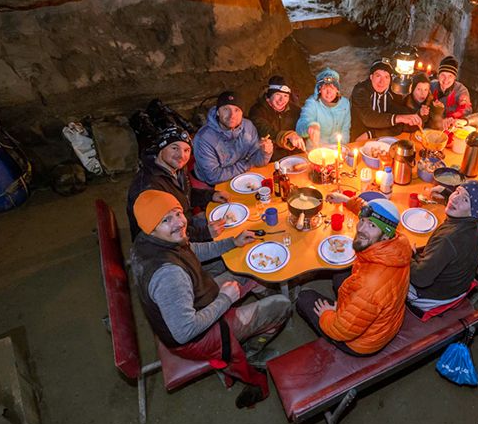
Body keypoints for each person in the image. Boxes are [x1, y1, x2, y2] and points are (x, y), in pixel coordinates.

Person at [129, 190, 292, 408]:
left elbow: (191, 250)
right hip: (198, 336)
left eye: (178, 213)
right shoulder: (169, 275)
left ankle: (257, 320)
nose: (179, 223)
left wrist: (232, 242)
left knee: (247, 271)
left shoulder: (149, 240)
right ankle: (251, 350)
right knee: (283, 306)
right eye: (166, 220)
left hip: (197, 299)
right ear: (152, 226)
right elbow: (184, 330)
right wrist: (225, 299)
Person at [296, 198, 412, 355]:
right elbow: (368, 211)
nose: (361, 228)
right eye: (362, 221)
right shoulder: (397, 242)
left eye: (371, 226)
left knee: (303, 298)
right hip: (385, 320)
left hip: (363, 342)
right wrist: (345, 200)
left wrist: (329, 314)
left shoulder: (369, 286)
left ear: (385, 235)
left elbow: (341, 331)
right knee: (339, 275)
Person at [126, 126, 230, 242]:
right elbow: (165, 234)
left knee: (231, 223)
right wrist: (204, 234)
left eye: (186, 150)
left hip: (186, 223)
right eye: (174, 148)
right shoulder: (148, 188)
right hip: (167, 246)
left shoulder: (175, 167)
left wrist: (210, 195)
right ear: (161, 148)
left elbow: (184, 194)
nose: (181, 155)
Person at [407, 181, 478, 313]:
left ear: (473, 211)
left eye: (465, 199)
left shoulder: (448, 239)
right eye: (457, 191)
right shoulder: (476, 223)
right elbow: (462, 204)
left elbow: (421, 279)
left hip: (429, 297)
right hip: (456, 289)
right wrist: (445, 192)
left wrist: (408, 256)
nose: (455, 198)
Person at [193, 91, 273, 185]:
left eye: (237, 110)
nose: (232, 115)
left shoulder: (248, 126)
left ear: (242, 113)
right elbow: (213, 177)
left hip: (241, 177)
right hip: (211, 186)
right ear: (218, 112)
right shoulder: (204, 138)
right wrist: (246, 164)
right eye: (226, 109)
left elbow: (257, 161)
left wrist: (265, 153)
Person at [350, 59, 423, 140]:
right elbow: (367, 118)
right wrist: (399, 118)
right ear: (371, 77)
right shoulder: (361, 90)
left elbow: (400, 123)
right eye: (378, 76)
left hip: (378, 136)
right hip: (360, 137)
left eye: (386, 77)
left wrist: (419, 115)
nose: (382, 82)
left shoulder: (393, 92)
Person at [247, 75, 305, 162]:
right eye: (278, 94)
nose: (282, 100)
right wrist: (286, 136)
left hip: (293, 157)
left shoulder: (295, 110)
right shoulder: (258, 110)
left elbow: (304, 126)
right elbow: (263, 129)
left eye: (285, 96)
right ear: (270, 95)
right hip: (269, 159)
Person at [296, 68, 352, 148]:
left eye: (332, 88)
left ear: (337, 90)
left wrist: (342, 147)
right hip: (316, 150)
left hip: (337, 149)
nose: (328, 92)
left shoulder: (345, 104)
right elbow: (300, 127)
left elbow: (345, 130)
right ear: (319, 90)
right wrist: (310, 126)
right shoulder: (312, 103)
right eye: (325, 88)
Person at [429, 55, 472, 119]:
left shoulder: (461, 90)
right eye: (443, 75)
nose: (446, 80)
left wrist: (452, 117)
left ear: (454, 78)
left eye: (450, 76)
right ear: (438, 75)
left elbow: (466, 109)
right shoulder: (431, 86)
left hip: (451, 125)